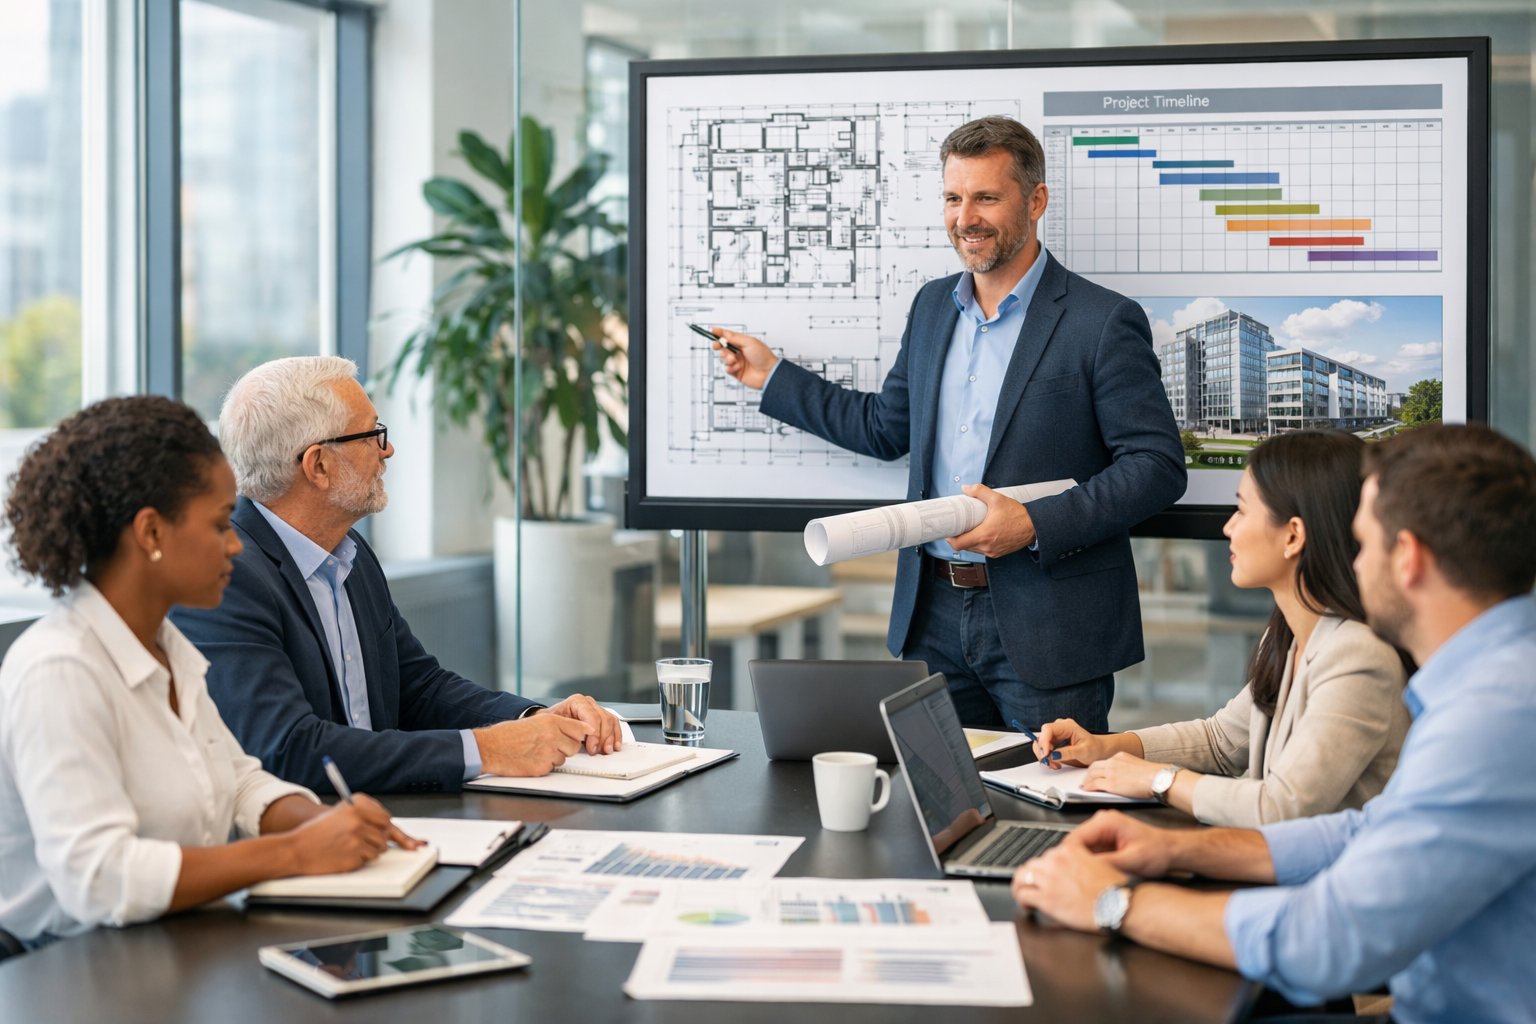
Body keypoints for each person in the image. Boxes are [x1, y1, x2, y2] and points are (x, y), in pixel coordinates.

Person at [1011, 424, 1536, 1024]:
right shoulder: (1489, 686)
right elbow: (1362, 831)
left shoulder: (1493, 720)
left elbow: (1331, 938)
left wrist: (1113, 903)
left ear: (1408, 559)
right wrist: (1173, 848)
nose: (1355, 562)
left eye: (1364, 543)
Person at [712, 115, 1184, 733]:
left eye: (986, 197)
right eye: (953, 198)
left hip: (1050, 625)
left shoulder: (1101, 320)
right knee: (940, 791)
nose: (966, 218)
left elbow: (1156, 467)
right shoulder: (934, 305)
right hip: (931, 616)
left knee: (1050, 794)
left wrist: (1034, 524)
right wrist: (773, 376)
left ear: (1036, 201)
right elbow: (885, 428)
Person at [0, 396, 418, 947]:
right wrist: (294, 851)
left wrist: (321, 820)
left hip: (169, 943)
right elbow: (99, 879)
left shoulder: (165, 644)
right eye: (221, 524)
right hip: (71, 966)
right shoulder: (60, 670)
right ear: (152, 533)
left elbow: (236, 780)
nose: (236, 543)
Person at [171, 357, 621, 795]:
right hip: (310, 830)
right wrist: (487, 750)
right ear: (318, 465)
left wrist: (534, 721)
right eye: (372, 435)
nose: (387, 450)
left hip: (384, 813)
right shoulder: (225, 576)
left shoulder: (349, 552)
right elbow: (289, 749)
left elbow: (418, 688)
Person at [1030, 430, 1410, 826]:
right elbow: (1221, 741)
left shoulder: (1359, 656)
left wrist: (1158, 780)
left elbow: (1281, 807)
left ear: (1293, 535)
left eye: (1242, 511)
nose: (1228, 528)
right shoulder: (1288, 634)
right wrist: (1102, 747)